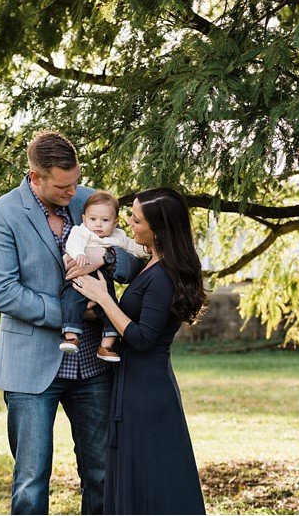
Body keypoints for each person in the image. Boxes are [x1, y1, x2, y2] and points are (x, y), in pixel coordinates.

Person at [0, 130, 145, 515]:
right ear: (35, 177)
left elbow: (133, 262)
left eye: (76, 181)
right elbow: (2, 293)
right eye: (63, 185)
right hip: (31, 368)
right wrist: (73, 312)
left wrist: (104, 262)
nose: (74, 192)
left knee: (103, 473)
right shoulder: (1, 216)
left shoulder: (90, 201)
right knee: (31, 480)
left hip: (94, 366)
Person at [70, 187, 207, 515]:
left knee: (152, 479)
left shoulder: (163, 276)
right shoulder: (150, 264)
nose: (128, 223)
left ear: (157, 228)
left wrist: (104, 298)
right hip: (134, 382)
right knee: (138, 475)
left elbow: (144, 337)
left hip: (147, 392)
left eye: (136, 218)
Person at [59, 189, 151, 361]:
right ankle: (71, 337)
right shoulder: (82, 232)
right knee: (71, 301)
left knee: (111, 311)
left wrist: (147, 250)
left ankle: (106, 346)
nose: (98, 225)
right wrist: (79, 254)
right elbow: (73, 243)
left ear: (115, 222)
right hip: (79, 280)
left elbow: (133, 248)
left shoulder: (119, 236)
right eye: (93, 219)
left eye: (105, 220)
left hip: (104, 282)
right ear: (84, 219)